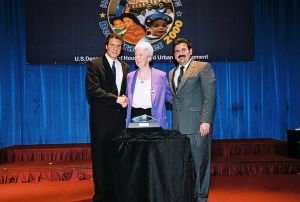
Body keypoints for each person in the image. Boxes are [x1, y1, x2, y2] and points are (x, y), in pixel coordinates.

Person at [169, 38, 216, 202]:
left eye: (183, 49)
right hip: (178, 128)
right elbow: (176, 98)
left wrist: (206, 121)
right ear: (174, 55)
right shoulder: (172, 73)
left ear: (190, 51)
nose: (180, 53)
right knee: (184, 166)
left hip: (198, 126)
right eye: (177, 51)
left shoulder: (203, 67)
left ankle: (201, 198)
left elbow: (209, 97)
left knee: (200, 165)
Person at [85, 33, 129, 202]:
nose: (115, 48)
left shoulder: (125, 66)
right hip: (101, 121)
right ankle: (101, 197)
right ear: (106, 46)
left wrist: (126, 99)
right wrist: (116, 99)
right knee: (101, 159)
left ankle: (116, 195)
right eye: (112, 45)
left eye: (118, 46)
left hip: (119, 121)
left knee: (118, 159)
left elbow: (125, 92)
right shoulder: (94, 64)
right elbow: (93, 90)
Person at [126, 40, 173, 129]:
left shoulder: (161, 76)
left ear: (149, 58)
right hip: (134, 117)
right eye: (136, 55)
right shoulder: (130, 76)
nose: (137, 58)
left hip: (155, 118)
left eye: (141, 55)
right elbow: (127, 98)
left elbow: (170, 98)